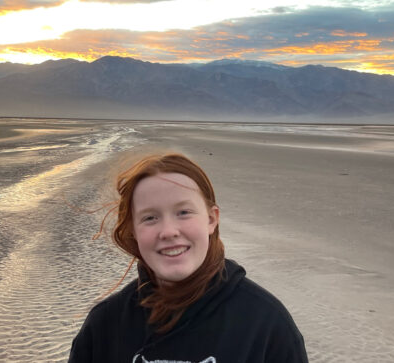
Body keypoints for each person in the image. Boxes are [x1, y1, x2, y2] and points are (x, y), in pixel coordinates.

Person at [68, 153, 307, 362]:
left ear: (212, 219)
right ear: (133, 230)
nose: (169, 231)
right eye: (150, 217)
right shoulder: (106, 325)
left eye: (183, 212)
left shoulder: (265, 323)